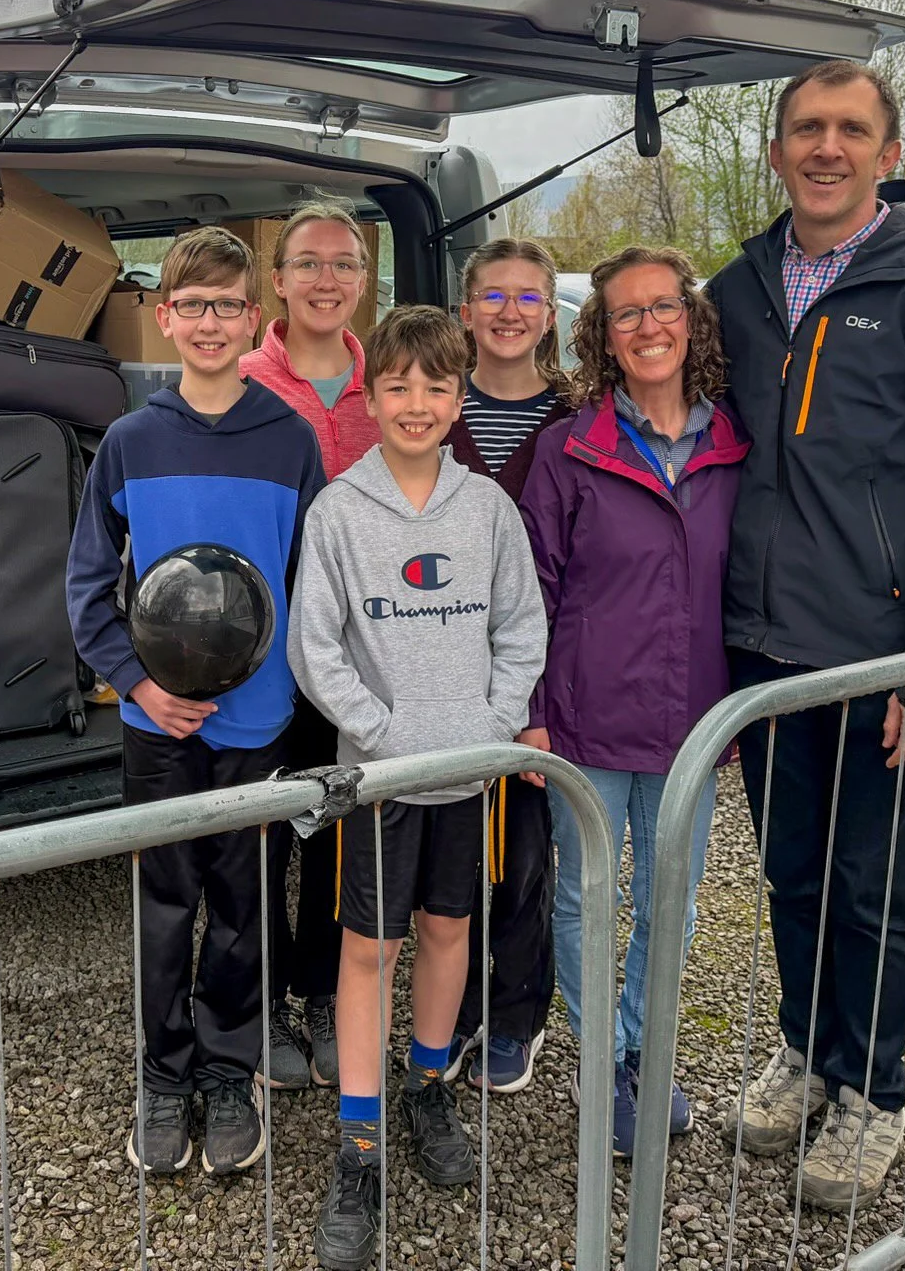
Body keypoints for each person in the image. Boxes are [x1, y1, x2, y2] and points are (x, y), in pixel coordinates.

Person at [709, 59, 905, 1211]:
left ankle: (871, 1091)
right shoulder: (737, 286)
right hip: (763, 650)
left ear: (886, 153)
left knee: (871, 884)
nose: (823, 148)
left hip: (881, 655)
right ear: (776, 150)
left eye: (848, 129)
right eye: (803, 129)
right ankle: (804, 1051)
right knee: (788, 875)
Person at [288, 306, 548, 1271]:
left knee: (448, 930)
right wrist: (386, 735)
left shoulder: (487, 511)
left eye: (438, 387)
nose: (417, 403)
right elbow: (316, 650)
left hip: (468, 770)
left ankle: (427, 1083)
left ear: (457, 397)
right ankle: (358, 1144)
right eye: (397, 384)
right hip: (383, 781)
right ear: (372, 393)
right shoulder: (339, 515)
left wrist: (489, 724)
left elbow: (521, 628)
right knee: (371, 949)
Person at [66, 226, 326, 1178]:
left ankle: (230, 1067)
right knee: (167, 899)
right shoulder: (130, 444)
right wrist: (136, 682)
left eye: (229, 306)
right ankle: (163, 1071)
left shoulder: (292, 442)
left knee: (246, 902)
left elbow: (316, 584)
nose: (211, 322)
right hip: (155, 725)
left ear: (255, 320)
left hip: (258, 723)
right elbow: (90, 582)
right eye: (193, 306)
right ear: (164, 317)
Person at [518, 245, 750, 1157]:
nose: (649, 326)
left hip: (695, 717)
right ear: (602, 337)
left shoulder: (735, 444)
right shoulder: (568, 449)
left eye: (665, 308)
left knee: (672, 902)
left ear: (690, 322)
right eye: (627, 314)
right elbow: (528, 589)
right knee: (583, 897)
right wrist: (532, 709)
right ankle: (604, 1061)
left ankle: (644, 1050)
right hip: (586, 716)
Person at [239, 199, 382, 1090]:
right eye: (309, 264)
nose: (327, 280)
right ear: (279, 281)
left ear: (365, 283)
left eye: (345, 264)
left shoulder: (393, 383)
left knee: (342, 837)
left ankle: (330, 996)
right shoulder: (241, 380)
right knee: (263, 836)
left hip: (361, 661)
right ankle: (262, 1004)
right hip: (261, 661)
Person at [442, 238, 571, 1096]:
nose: (510, 311)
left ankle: (515, 1012)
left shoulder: (580, 417)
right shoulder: (433, 409)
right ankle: (446, 1010)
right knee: (449, 851)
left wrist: (545, 689)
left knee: (525, 853)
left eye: (529, 297)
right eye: (493, 295)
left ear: (551, 315)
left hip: (547, 670)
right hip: (444, 666)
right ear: (466, 312)